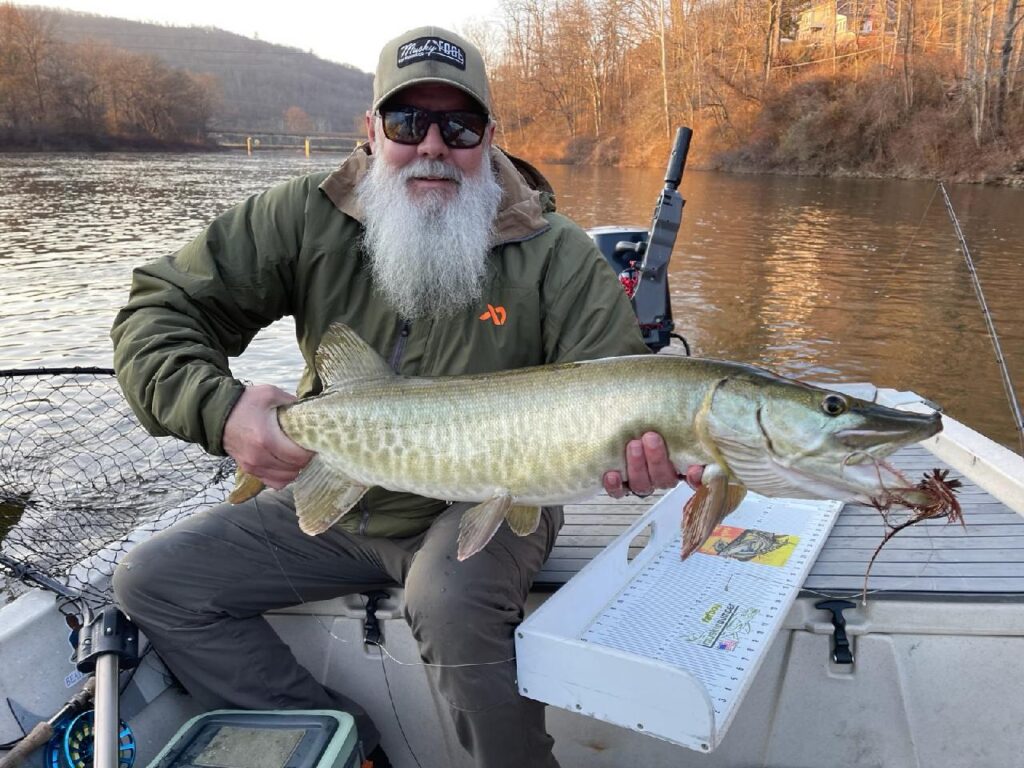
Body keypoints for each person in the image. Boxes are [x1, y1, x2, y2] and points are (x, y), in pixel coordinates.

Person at [110, 26, 695, 768]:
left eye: (459, 125)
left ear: (489, 136)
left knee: (448, 599)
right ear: (371, 131)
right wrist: (221, 409)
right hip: (337, 485)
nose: (433, 146)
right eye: (407, 122)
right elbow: (157, 311)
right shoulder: (305, 218)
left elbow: (619, 392)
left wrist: (638, 455)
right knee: (156, 582)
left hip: (490, 502)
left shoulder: (558, 255)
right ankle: (351, 747)